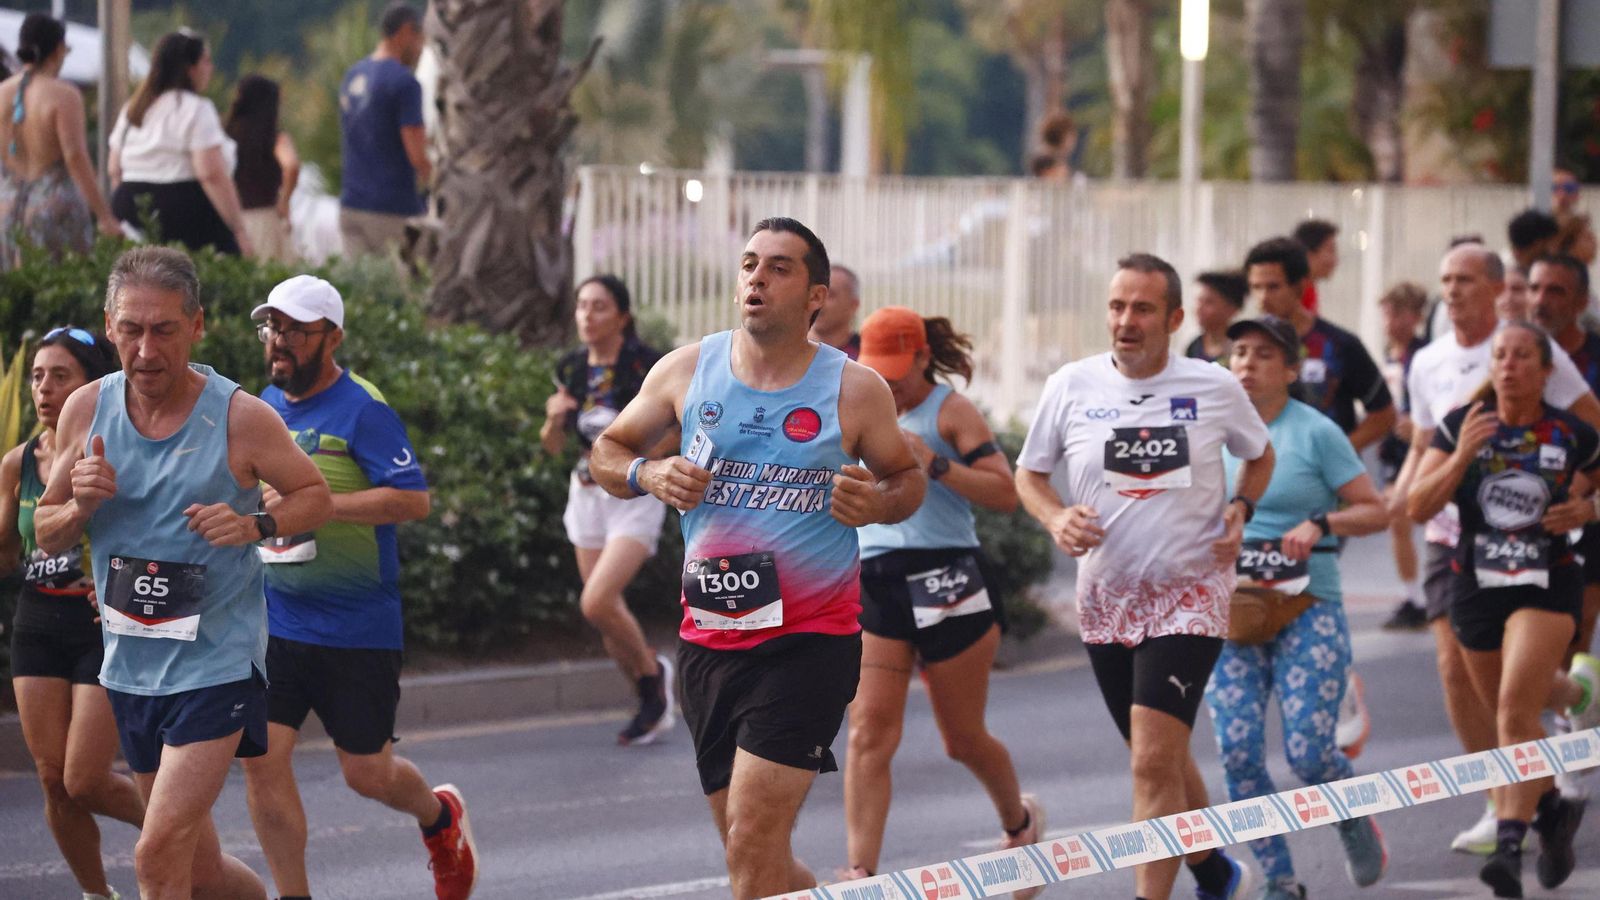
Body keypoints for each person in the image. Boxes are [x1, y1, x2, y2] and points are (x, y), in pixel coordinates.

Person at [589, 217, 925, 899]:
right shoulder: (687, 370)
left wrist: (878, 503)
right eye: (749, 264)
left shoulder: (854, 389)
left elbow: (906, 478)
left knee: (750, 842)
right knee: (756, 860)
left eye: (778, 268)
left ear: (816, 296)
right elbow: (607, 452)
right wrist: (648, 474)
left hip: (809, 643)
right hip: (709, 641)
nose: (757, 279)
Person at [33, 246, 332, 900]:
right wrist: (79, 505)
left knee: (156, 853)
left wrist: (255, 524)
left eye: (164, 330)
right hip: (131, 666)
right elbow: (45, 528)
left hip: (216, 665)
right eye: (131, 330)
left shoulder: (240, 417)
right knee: (198, 871)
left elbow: (315, 496)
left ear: (196, 326)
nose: (146, 350)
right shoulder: (86, 409)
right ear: (109, 326)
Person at [1015, 252, 1274, 900]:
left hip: (1190, 594)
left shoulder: (1214, 386)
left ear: (1175, 318)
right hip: (1106, 599)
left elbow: (1260, 454)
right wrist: (1055, 517)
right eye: (1116, 306)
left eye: (1142, 309)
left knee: (1153, 760)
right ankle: (1214, 872)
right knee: (1159, 753)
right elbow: (1029, 474)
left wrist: (1241, 507)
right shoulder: (1072, 385)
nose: (1125, 321)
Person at [240, 275, 477, 900]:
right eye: (273, 328)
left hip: (355, 625)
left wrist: (317, 505)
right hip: (275, 621)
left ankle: (438, 817)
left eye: (296, 330)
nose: (279, 341)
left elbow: (413, 500)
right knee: (261, 758)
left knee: (367, 773)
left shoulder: (363, 408)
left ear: (333, 338)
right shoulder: (263, 407)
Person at [1387, 242, 1600, 857]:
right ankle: (1498, 800)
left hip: (1533, 542)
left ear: (1496, 288)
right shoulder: (1429, 360)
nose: (1452, 291)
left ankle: (1564, 717)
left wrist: (1581, 501)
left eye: (1465, 279)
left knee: (1516, 688)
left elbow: (1591, 431)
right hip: (1454, 536)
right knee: (1456, 672)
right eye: (1445, 279)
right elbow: (1425, 440)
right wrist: (1401, 497)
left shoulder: (1532, 349)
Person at [841, 306, 1043, 895]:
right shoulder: (855, 407)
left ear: (924, 357)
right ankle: (860, 872)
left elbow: (1005, 493)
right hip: (877, 580)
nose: (889, 385)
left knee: (962, 739)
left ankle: (1019, 822)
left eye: (897, 372)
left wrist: (935, 462)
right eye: (877, 373)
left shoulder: (949, 411)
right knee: (868, 732)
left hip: (948, 579)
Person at [1204, 315, 1389, 900]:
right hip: (1230, 611)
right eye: (1239, 352)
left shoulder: (1316, 432)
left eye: (1264, 355)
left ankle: (1352, 818)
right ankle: (1279, 881)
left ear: (1290, 370)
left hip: (1308, 605)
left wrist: (1322, 522)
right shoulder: (1208, 432)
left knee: (1309, 754)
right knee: (1237, 753)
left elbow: (1375, 510)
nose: (1247, 364)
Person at [1, 326, 142, 900]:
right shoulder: (17, 463)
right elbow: (8, 552)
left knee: (84, 779)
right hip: (37, 624)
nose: (44, 389)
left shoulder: (116, 450)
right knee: (53, 782)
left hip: (99, 625)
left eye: (61, 376)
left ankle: (184, 834)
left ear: (91, 385)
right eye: (37, 376)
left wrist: (120, 585)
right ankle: (97, 894)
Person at [541, 274, 674, 746]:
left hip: (634, 490)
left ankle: (653, 683)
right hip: (586, 493)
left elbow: (675, 427)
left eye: (599, 306)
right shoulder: (571, 368)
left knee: (596, 601)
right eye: (582, 305)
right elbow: (553, 446)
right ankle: (647, 690)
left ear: (622, 316)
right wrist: (553, 420)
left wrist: (645, 465)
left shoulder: (648, 366)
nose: (587, 315)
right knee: (604, 614)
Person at [1244, 237, 1396, 452]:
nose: (1263, 298)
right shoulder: (1244, 348)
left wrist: (1337, 455)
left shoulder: (1340, 344)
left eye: (1273, 287)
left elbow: (1384, 415)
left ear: (1301, 286)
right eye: (1256, 287)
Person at [109, 30, 252, 257]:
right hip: (181, 208)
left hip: (128, 202)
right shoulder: (196, 108)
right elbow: (210, 173)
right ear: (190, 68)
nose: (211, 68)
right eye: (206, 61)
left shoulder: (133, 109)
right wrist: (238, 229)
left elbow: (114, 168)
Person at [0, 13, 121, 269]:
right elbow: (75, 157)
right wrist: (104, 216)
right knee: (59, 286)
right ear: (58, 49)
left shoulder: (2, 93)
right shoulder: (64, 95)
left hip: (7, 208)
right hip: (54, 210)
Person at [339, 3, 430, 258]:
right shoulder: (404, 82)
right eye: (419, 38)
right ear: (405, 32)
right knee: (411, 280)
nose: (420, 47)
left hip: (351, 205)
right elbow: (417, 154)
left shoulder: (353, 75)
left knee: (360, 282)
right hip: (392, 210)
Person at [1377, 283, 1432, 632]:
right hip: (1394, 452)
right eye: (1387, 314)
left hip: (1424, 449)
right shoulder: (1389, 356)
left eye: (1399, 313)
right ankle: (1414, 597)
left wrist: (1420, 426)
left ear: (1415, 317)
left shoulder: (1425, 355)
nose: (1391, 322)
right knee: (1397, 519)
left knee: (1430, 518)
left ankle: (1430, 595)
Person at [225, 75, 300, 263]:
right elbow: (291, 165)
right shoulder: (274, 138)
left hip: (229, 218)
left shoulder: (225, 134)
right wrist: (284, 201)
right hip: (264, 218)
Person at [1185, 270, 1247, 364]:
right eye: (1198, 301)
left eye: (1209, 302)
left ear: (1232, 309)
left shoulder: (1242, 347)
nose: (1199, 308)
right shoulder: (1194, 347)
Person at [808, 263, 861, 359]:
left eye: (830, 295)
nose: (818, 302)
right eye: (815, 294)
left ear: (853, 305)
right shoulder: (787, 352)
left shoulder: (865, 355)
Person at [1291, 219, 1338, 315]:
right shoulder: (1295, 291)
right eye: (1331, 251)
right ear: (1308, 254)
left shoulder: (1309, 287)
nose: (1335, 260)